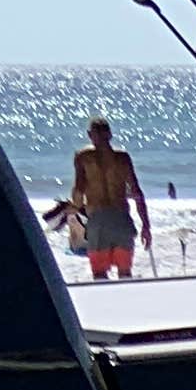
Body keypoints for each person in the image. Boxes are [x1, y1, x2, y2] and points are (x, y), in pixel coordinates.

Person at [68, 117, 151, 280]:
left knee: (100, 275)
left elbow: (79, 191)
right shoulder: (123, 158)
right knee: (125, 274)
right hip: (121, 218)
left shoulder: (83, 157)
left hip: (98, 220)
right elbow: (137, 194)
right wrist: (146, 226)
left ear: (89, 135)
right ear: (110, 135)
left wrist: (73, 209)